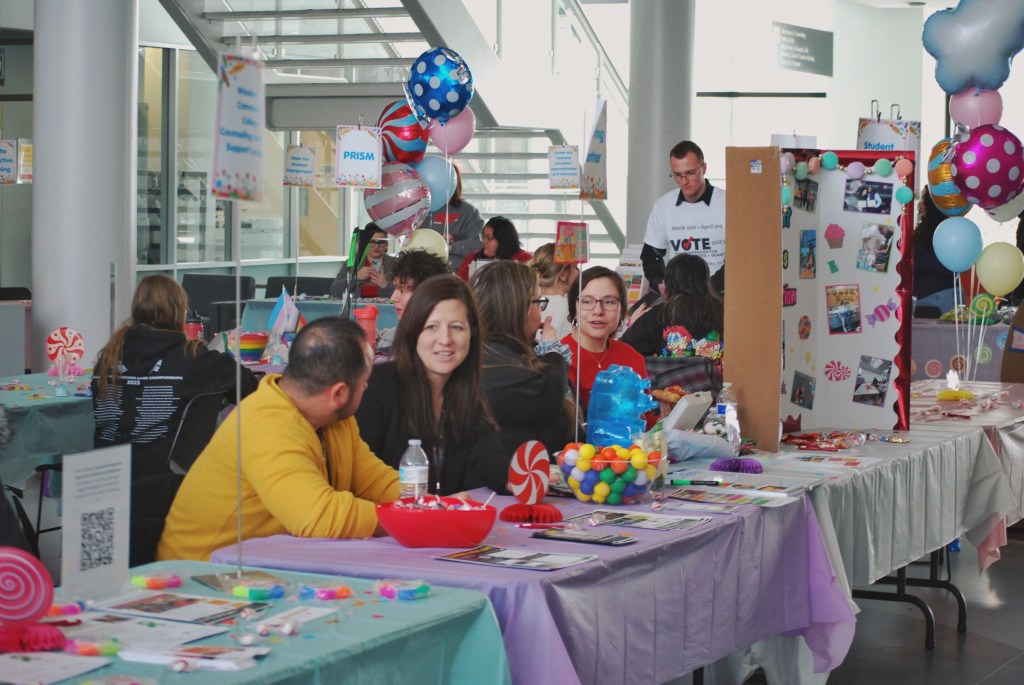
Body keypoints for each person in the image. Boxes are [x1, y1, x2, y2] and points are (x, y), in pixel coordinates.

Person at [157, 318, 400, 561]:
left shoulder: (335, 419)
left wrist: (430, 506)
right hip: (201, 576)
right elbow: (317, 516)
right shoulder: (265, 423)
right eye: (363, 383)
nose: (366, 387)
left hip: (268, 567)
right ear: (339, 393)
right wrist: (408, 520)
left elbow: (376, 482)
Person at [92, 275, 257, 482]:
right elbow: (251, 388)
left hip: (103, 481)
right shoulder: (195, 359)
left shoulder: (109, 356)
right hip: (164, 483)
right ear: (179, 311)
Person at [355, 275, 509, 494]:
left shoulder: (464, 389)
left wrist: (513, 479)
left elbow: (486, 452)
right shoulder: (377, 387)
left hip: (437, 521)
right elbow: (362, 473)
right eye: (431, 327)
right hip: (381, 521)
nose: (445, 339)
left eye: (456, 327)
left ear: (472, 335)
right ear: (413, 331)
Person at [471, 261, 574, 455]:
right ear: (519, 309)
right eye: (538, 302)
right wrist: (553, 352)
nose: (540, 313)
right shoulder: (496, 362)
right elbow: (549, 401)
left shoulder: (494, 352)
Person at [641, 140, 726, 294]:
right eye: (677, 175)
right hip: (679, 297)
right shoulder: (663, 206)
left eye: (690, 173)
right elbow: (650, 256)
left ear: (704, 168)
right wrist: (660, 283)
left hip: (720, 295)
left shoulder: (728, 203)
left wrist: (709, 289)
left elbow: (739, 258)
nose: (684, 181)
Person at [560, 266, 647, 409]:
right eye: (587, 301)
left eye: (609, 302)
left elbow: (645, 422)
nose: (598, 311)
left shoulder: (632, 358)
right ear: (573, 308)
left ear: (622, 309)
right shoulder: (559, 359)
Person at [621, 254, 724, 361]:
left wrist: (635, 323)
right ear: (706, 282)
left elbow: (624, 353)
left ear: (668, 284)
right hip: (719, 377)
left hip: (671, 377)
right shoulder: (723, 312)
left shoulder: (658, 315)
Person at [376, 248, 451, 357]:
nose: (393, 298)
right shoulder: (392, 336)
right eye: (395, 288)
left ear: (428, 293)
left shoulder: (441, 345)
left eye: (402, 290)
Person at [427, 164, 484, 270]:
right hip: (427, 271)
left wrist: (451, 247)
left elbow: (478, 245)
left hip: (458, 272)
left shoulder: (469, 212)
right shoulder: (424, 210)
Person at [329, 223, 395, 299]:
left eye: (381, 242)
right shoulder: (352, 263)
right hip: (358, 309)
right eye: (372, 242)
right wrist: (355, 278)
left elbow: (409, 295)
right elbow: (334, 291)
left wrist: (386, 285)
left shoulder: (395, 264)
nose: (376, 246)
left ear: (386, 244)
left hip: (386, 309)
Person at [456, 216, 533, 281]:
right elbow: (460, 287)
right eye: (483, 236)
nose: (484, 241)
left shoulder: (524, 258)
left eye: (489, 237)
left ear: (503, 240)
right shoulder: (472, 257)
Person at [528, 242, 578, 340]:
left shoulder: (528, 305)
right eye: (576, 268)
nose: (578, 272)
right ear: (564, 275)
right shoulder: (570, 308)